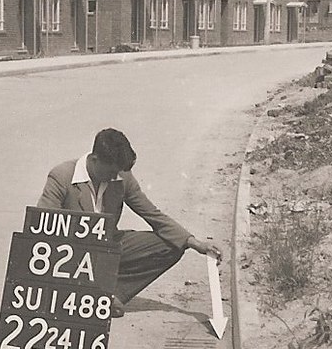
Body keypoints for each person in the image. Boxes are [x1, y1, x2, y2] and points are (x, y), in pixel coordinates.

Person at [37, 128, 223, 317]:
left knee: (173, 245)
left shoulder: (121, 176)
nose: (114, 177)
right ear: (94, 159)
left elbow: (152, 213)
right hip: (70, 254)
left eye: (117, 172)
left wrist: (195, 243)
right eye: (111, 171)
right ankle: (83, 293)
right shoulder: (61, 177)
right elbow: (41, 229)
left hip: (107, 246)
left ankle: (108, 295)